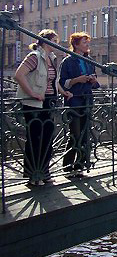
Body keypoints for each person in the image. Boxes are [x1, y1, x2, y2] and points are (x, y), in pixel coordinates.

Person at [15, 29, 73, 186]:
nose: (57, 44)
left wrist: (63, 92)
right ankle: (33, 174)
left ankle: (44, 172)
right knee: (35, 138)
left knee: (47, 138)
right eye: (54, 40)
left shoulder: (51, 58)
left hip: (48, 102)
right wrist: (32, 93)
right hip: (33, 103)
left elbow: (52, 81)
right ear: (45, 41)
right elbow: (19, 75)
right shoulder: (34, 57)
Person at [59, 32, 100, 177]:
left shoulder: (89, 61)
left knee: (85, 133)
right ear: (76, 45)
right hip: (74, 101)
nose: (87, 46)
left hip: (87, 99)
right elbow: (62, 82)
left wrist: (93, 81)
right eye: (84, 43)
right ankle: (68, 166)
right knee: (75, 134)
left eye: (88, 43)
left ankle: (80, 165)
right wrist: (77, 80)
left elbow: (96, 84)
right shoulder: (67, 61)